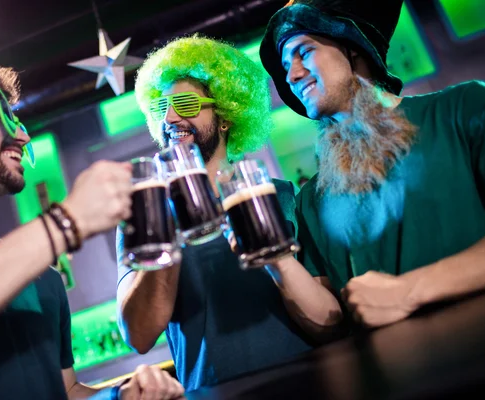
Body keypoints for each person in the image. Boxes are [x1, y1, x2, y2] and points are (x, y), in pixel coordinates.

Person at [0, 58, 185, 400]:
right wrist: (64, 223)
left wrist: (120, 398)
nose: (23, 135)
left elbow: (65, 390)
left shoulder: (44, 278)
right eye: (1, 116)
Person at [116, 35, 343, 391]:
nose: (171, 117)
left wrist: (277, 258)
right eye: (161, 108)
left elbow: (328, 323)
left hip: (309, 383)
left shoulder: (282, 195)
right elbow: (139, 336)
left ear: (224, 116)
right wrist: (168, 232)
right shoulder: (144, 215)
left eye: (186, 103)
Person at [259, 0, 485, 328]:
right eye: (285, 65)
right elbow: (328, 327)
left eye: (304, 52)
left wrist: (410, 291)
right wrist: (276, 260)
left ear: (352, 48)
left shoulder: (465, 109)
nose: (293, 74)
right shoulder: (310, 199)